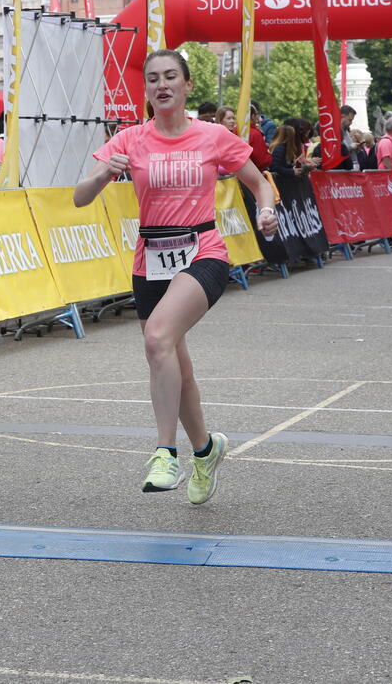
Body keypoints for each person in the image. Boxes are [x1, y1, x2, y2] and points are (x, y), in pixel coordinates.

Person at [73, 49, 278, 504]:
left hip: (203, 251)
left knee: (157, 338)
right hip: (150, 260)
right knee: (173, 364)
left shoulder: (213, 135)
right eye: (153, 79)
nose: (162, 85)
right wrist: (105, 174)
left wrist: (266, 211)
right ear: (146, 90)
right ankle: (205, 450)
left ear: (187, 86)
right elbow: (79, 197)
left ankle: (165, 454)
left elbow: (259, 183)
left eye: (170, 77)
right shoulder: (129, 139)